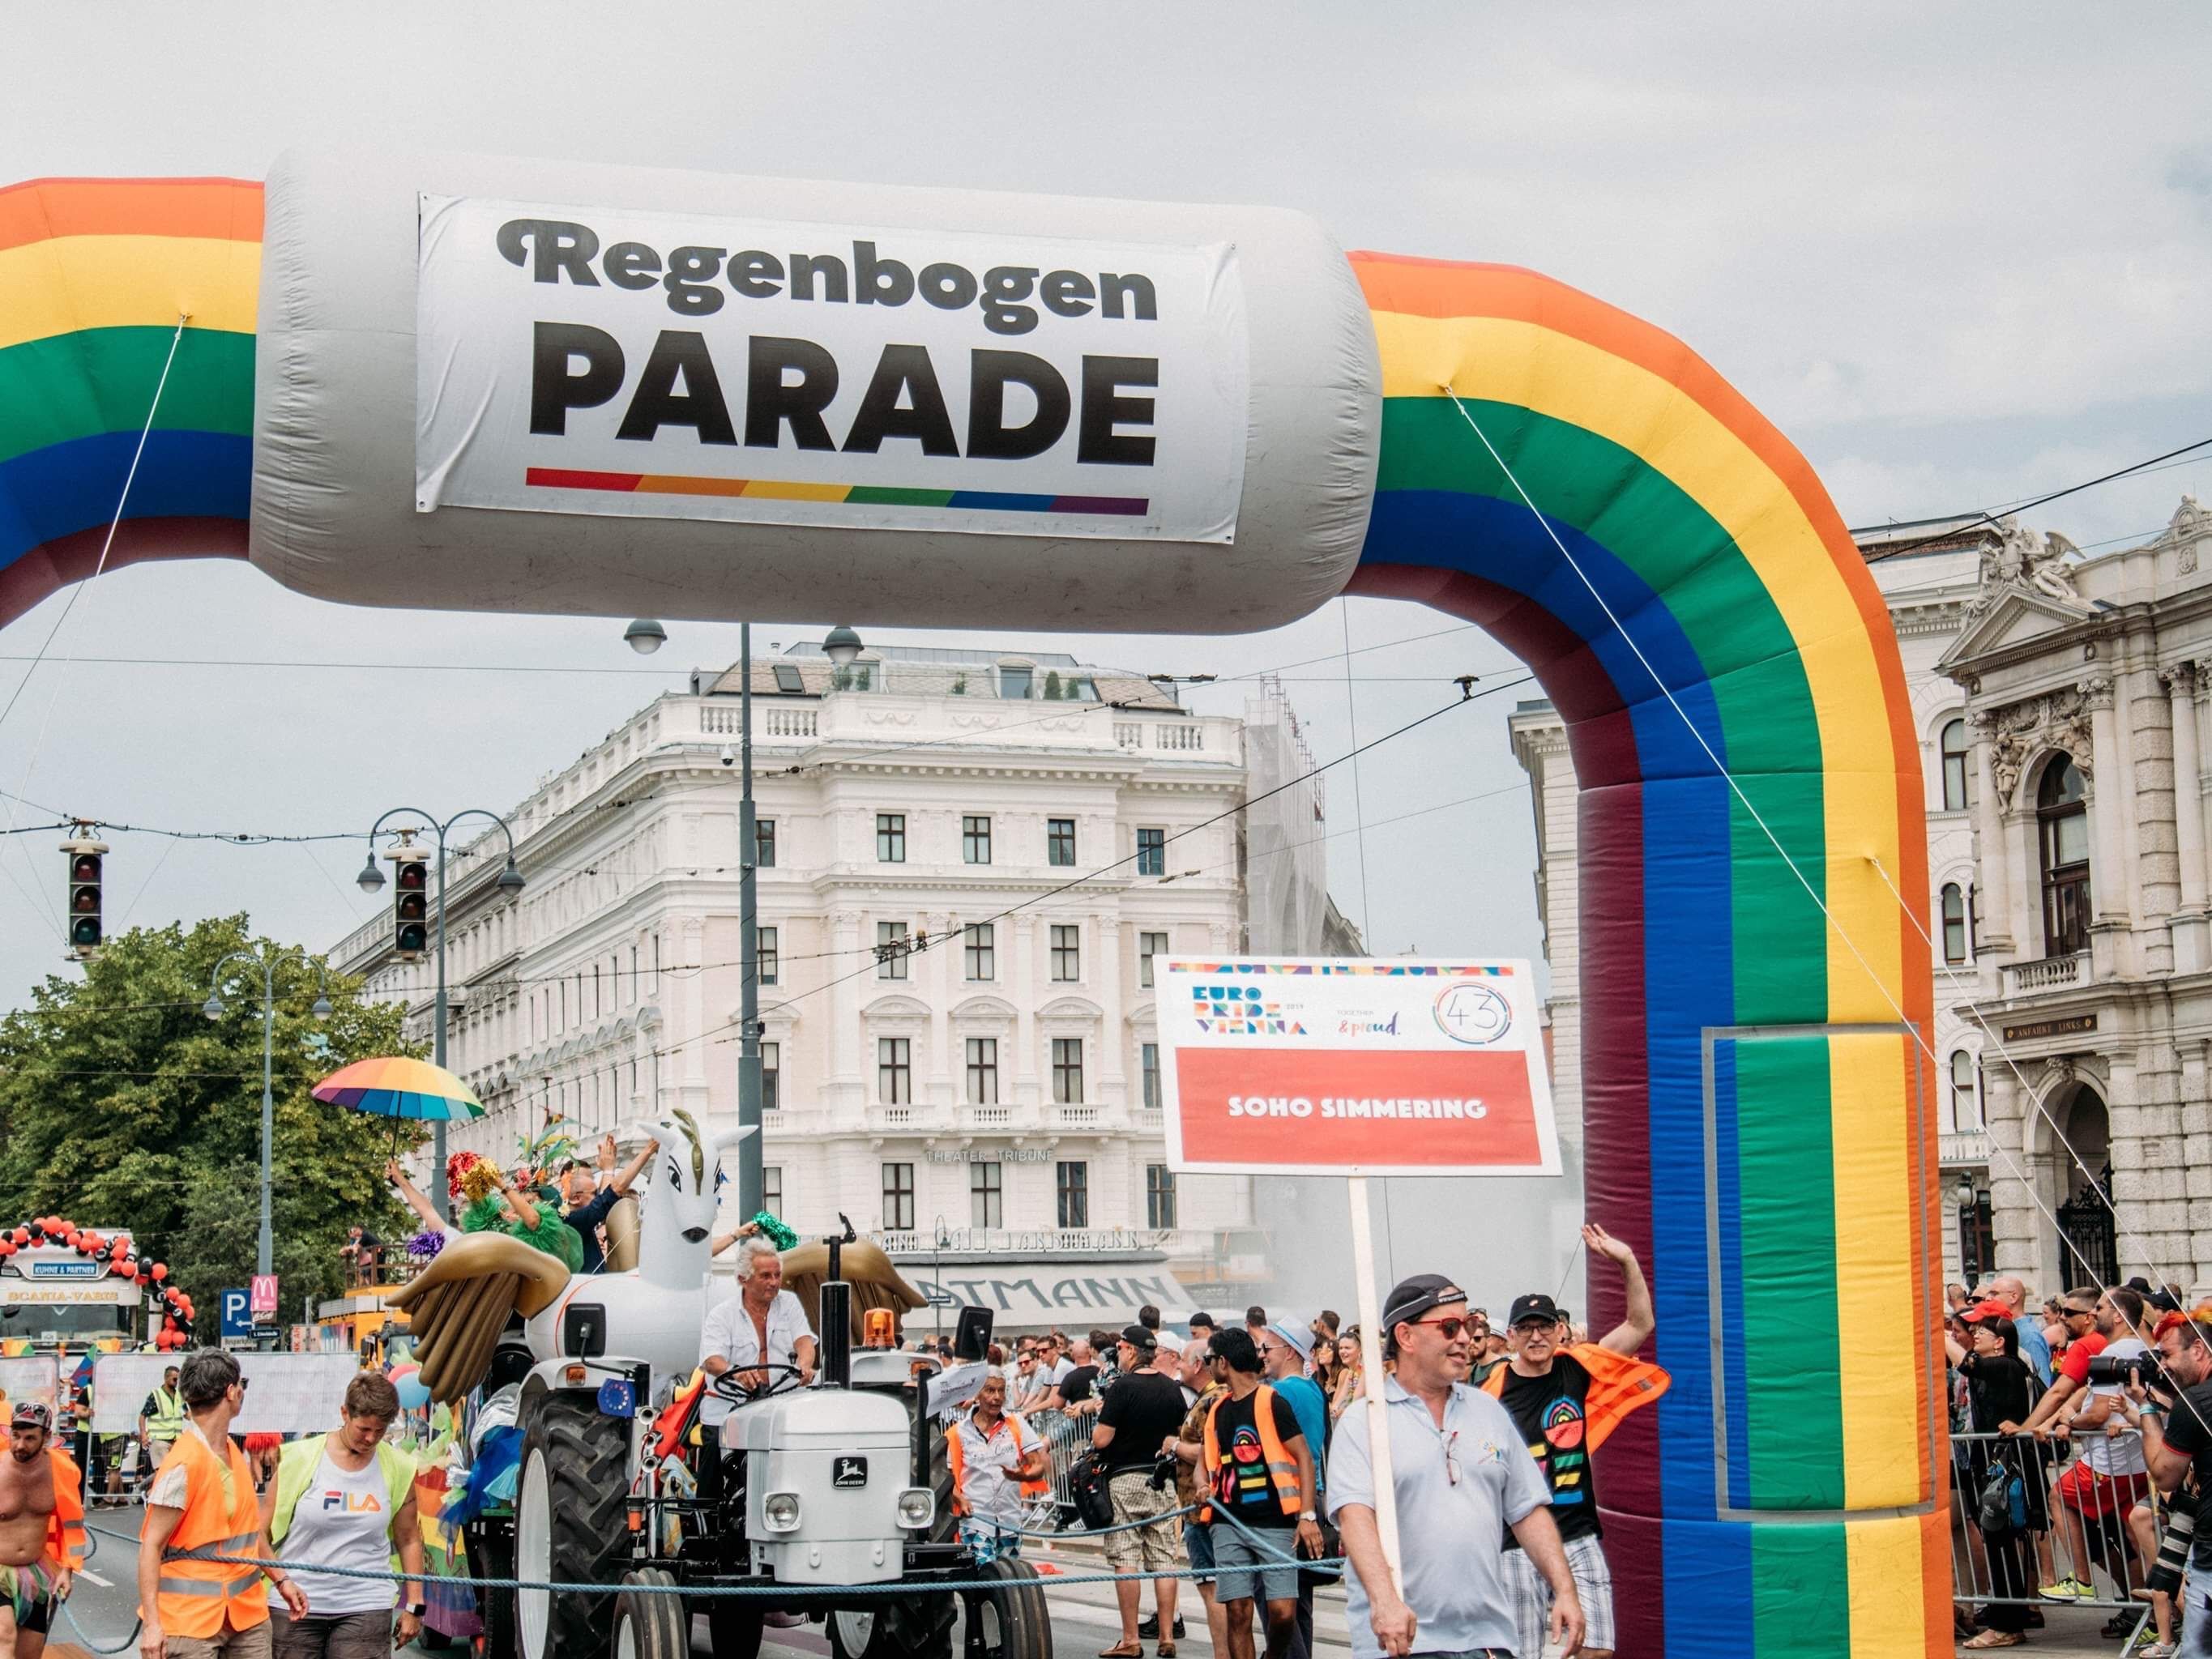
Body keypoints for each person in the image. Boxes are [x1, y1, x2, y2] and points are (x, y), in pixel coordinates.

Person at [1330, 1273, 1584, 1659]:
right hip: (1403, 1640)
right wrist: (1384, 1601)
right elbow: (1355, 1519)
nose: (1464, 1338)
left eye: (1468, 1326)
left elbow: (1527, 1510)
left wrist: (1564, 1590)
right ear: (1406, 1337)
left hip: (1488, 1641)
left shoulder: (1488, 1411)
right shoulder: (1364, 1422)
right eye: (1450, 1327)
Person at [1482, 1225, 1662, 1659]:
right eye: (1525, 1329)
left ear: (1560, 1331)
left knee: (1597, 1650)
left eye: (1544, 1326)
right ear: (1510, 1337)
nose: (1536, 1337)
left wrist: (1626, 1261)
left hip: (1578, 1534)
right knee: (1517, 1656)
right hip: (1516, 1541)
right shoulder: (1491, 1394)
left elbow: (1641, 1324)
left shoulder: (1577, 1369)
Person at [140, 1350, 306, 1659]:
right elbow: (150, 1546)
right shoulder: (183, 1464)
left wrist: (281, 1579)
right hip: (191, 1624)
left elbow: (248, 1532)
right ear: (231, 1392)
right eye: (240, 1384)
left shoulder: (232, 1450)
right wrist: (152, 1625)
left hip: (246, 1617)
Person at [261, 1373, 425, 1659]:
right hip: (295, 1602)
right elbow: (258, 1534)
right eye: (363, 1429)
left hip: (366, 1603)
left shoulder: (399, 1467)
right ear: (344, 1413)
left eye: (380, 1430)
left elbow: (409, 1538)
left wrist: (415, 1605)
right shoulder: (299, 1458)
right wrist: (282, 1581)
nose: (371, 1438)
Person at [1194, 1328, 1321, 1659]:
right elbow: (1203, 1462)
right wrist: (1201, 1486)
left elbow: (1304, 1457)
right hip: (1228, 1522)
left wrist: (1307, 1516)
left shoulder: (1271, 1401)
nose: (1207, 1367)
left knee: (1283, 1614)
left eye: (1209, 1360)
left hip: (1275, 1522)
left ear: (1224, 1362)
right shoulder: (1218, 1410)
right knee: (1238, 1611)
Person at [2040, 1286, 2155, 1601]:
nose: (2094, 1314)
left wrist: (2069, 1421)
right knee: (2136, 1535)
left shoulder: (2111, 1354)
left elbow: (2099, 1413)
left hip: (2110, 1462)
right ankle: (2160, 1610)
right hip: (2137, 1463)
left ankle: (2081, 1581)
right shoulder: (2143, 1348)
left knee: (2058, 1496)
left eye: (2101, 1308)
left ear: (2118, 1316)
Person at [1944, 1307, 2044, 1648]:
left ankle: (2006, 1623)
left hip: (2003, 1469)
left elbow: (1969, 1365)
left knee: (2000, 1541)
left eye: (1982, 1335)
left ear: (2000, 1342)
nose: (1975, 1338)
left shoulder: (2006, 1365)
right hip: (1992, 1467)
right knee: (1997, 1541)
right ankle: (2007, 1618)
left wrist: (1941, 1335)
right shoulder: (2006, 1366)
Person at [2118, 1307, 2212, 1659]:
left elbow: (2164, 1474)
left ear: (2199, 1350)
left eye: (2169, 1354)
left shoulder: (2196, 1403)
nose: (2163, 1365)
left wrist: (2146, 1409)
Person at [1093, 1325, 1188, 1659]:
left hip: (1125, 1479)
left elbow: (1101, 1440)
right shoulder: (1171, 1389)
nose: (1118, 1353)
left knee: (1126, 1559)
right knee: (1165, 1560)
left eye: (1120, 1347)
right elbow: (1179, 1433)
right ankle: (1166, 1637)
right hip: (1162, 1481)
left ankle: (1131, 1639)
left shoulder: (1122, 1388)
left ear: (1131, 1351)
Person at [1259, 1324, 1332, 1659]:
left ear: (1289, 1351)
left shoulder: (1282, 1392)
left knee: (1278, 1601)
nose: (1262, 1356)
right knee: (1300, 1600)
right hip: (1309, 1496)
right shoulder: (1314, 1389)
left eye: (1267, 1349)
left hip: (1289, 1500)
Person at [699, 1238, 818, 1426]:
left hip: (781, 1408)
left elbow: (804, 1341)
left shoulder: (789, 1303)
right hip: (728, 1412)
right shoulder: (721, 1315)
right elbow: (712, 1361)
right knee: (717, 1445)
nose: (774, 1282)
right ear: (743, 1279)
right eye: (765, 1276)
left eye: (777, 1275)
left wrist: (804, 1366)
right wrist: (736, 1373)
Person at [1, 1402, 84, 1659]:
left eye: (29, 1438)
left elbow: (72, 1524)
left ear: (46, 1437)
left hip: (36, 1572)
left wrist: (68, 1569)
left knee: (30, 1652)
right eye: (15, 1436)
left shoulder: (63, 1471)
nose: (20, 1445)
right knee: (4, 1636)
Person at [946, 1373, 1048, 1561]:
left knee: (1007, 1579)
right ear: (977, 1394)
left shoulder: (1017, 1424)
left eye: (1001, 1391)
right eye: (990, 1390)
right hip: (976, 1520)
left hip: (1010, 1521)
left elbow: (1038, 1466)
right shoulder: (957, 1432)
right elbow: (947, 1479)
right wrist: (960, 1500)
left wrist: (1022, 1477)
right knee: (986, 1573)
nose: (997, 1397)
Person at [1164, 1338, 1225, 1658]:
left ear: (1199, 1364)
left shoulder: (1210, 1400)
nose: (1178, 1366)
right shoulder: (1211, 1396)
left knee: (1212, 1587)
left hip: (1203, 1511)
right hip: (1205, 1507)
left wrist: (1173, 1446)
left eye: (1183, 1361)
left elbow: (1207, 1451)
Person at [560, 1133, 658, 1273]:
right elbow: (612, 1192)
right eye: (594, 1194)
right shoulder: (571, 1222)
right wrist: (648, 1150)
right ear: (575, 1198)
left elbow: (604, 1202)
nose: (598, 1196)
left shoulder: (574, 1218)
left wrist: (608, 1170)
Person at [1985, 1276, 2053, 1388]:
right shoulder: (2012, 1328)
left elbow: (2042, 1384)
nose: (1988, 1299)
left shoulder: (2028, 1335)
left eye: (1994, 1294)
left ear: (2013, 1297)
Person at [1328, 1333, 1364, 1423]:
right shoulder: (1350, 1373)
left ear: (1360, 1350)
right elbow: (1338, 1402)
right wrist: (1334, 1410)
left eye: (1347, 1348)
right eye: (1341, 1348)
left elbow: (1357, 1402)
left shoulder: (1366, 1372)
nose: (1343, 1352)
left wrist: (1343, 1411)